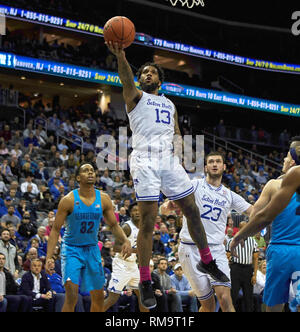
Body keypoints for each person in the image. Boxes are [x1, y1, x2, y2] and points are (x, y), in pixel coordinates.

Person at [106, 41, 227, 309]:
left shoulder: (169, 104)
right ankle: (146, 281)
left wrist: (184, 156)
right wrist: (122, 56)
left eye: (152, 72)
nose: (147, 75)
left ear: (160, 79)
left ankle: (207, 260)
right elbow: (126, 77)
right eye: (144, 73)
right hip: (145, 160)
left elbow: (176, 133)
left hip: (169, 161)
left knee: (192, 209)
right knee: (148, 221)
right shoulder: (135, 97)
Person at [162, 151, 252, 312]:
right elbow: (168, 206)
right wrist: (167, 206)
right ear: (205, 167)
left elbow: (254, 211)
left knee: (224, 297)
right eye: (211, 162)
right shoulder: (194, 185)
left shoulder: (229, 195)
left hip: (216, 250)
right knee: (208, 306)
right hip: (191, 248)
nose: (215, 164)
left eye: (218, 161)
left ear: (224, 167)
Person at [46, 162, 131, 312]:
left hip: (92, 249)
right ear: (78, 178)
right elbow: (55, 230)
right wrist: (48, 257)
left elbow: (114, 225)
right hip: (71, 249)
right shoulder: (68, 200)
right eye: (86, 171)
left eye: (92, 170)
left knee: (98, 296)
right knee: (72, 295)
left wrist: (125, 240)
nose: (91, 173)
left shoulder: (103, 199)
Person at [230, 143, 300, 312]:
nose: (284, 159)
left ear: (292, 162)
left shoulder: (274, 185)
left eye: (287, 156)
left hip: (281, 250)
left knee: (273, 306)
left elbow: (258, 216)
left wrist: (240, 236)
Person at [104, 202, 148, 312]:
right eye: (134, 210)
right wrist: (135, 250)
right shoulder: (127, 227)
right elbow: (116, 248)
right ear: (130, 213)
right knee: (112, 298)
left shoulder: (143, 227)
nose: (137, 212)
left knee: (143, 297)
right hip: (121, 264)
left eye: (139, 210)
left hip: (133, 265)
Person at [226, 221, 259, 312]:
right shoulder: (231, 241)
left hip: (248, 269)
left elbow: (256, 259)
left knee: (249, 297)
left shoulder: (253, 241)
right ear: (239, 229)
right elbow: (227, 256)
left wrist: (255, 275)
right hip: (235, 268)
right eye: (243, 228)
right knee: (233, 295)